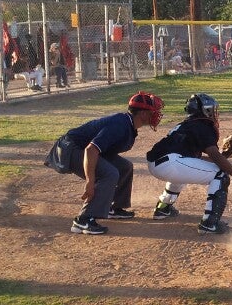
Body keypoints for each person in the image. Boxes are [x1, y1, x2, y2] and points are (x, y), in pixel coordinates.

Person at [58, 91, 163, 235]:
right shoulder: (120, 125)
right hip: (69, 149)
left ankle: (114, 208)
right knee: (109, 173)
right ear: (143, 114)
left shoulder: (128, 124)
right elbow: (91, 150)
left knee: (124, 167)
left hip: (80, 148)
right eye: (153, 111)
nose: (156, 115)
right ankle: (83, 220)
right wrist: (90, 181)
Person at [147, 93, 232, 235]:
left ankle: (163, 207)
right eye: (212, 110)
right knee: (221, 174)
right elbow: (214, 155)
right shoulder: (203, 125)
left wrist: (223, 156)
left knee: (183, 169)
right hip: (170, 164)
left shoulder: (187, 125)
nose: (214, 113)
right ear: (205, 111)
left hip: (157, 164)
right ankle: (209, 224)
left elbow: (195, 161)